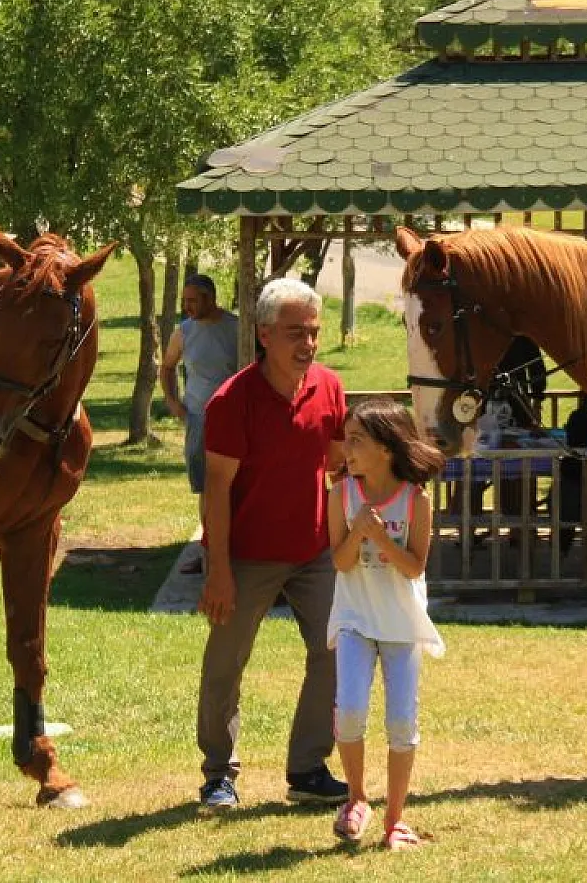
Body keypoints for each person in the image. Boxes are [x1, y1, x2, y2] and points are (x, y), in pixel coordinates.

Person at [195, 277, 348, 811]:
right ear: (263, 335)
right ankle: (218, 774)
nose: (307, 344)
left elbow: (336, 465)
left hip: (315, 553)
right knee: (226, 664)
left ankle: (307, 769)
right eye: (293, 333)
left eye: (313, 332)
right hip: (246, 555)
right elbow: (215, 490)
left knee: (333, 651)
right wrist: (218, 569)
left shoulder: (329, 387)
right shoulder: (230, 401)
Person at [326, 397, 445, 850]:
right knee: (351, 710)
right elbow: (340, 561)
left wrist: (379, 536)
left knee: (401, 722)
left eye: (356, 440)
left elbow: (415, 567)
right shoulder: (341, 494)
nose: (346, 449)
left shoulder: (417, 501)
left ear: (387, 448)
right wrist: (358, 532)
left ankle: (394, 821)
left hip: (402, 626)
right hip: (356, 620)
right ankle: (356, 799)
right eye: (346, 438)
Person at [160, 274, 239, 575]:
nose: (187, 306)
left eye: (193, 300)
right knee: (206, 487)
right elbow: (167, 367)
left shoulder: (237, 329)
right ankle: (207, 549)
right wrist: (173, 401)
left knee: (235, 485)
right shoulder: (184, 331)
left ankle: (236, 550)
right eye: (184, 301)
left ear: (210, 298)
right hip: (198, 418)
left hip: (233, 418)